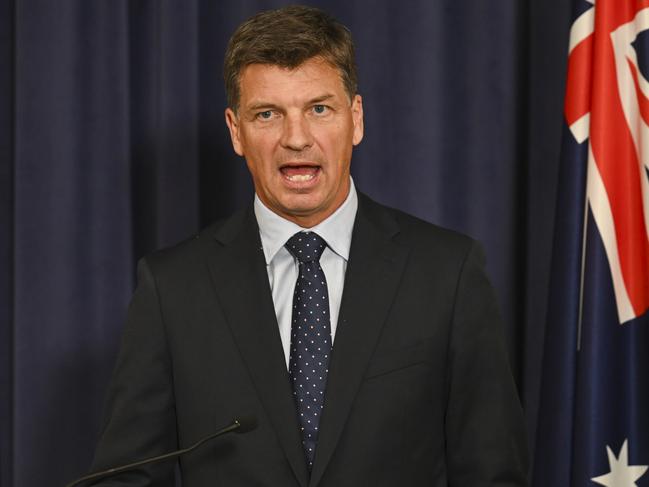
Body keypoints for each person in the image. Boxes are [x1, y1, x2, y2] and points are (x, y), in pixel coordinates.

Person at [90, 5, 529, 486]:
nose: (296, 139)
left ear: (355, 119)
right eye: (267, 114)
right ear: (236, 131)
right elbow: (124, 477)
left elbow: (493, 474)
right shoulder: (173, 288)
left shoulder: (448, 273)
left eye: (319, 109)